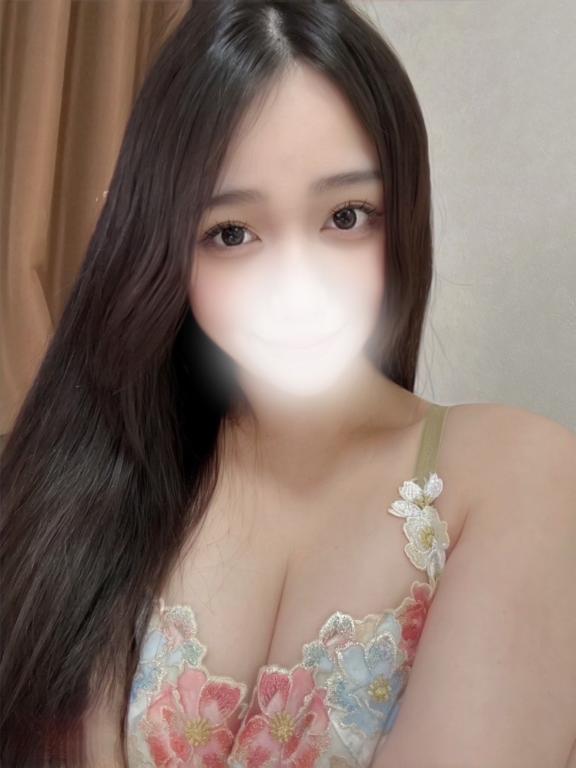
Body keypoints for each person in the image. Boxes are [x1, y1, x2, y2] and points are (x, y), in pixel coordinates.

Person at [1, 2, 575, 767]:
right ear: (159, 247)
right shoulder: (92, 494)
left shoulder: (515, 473)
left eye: (346, 216)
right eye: (232, 233)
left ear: (402, 214)